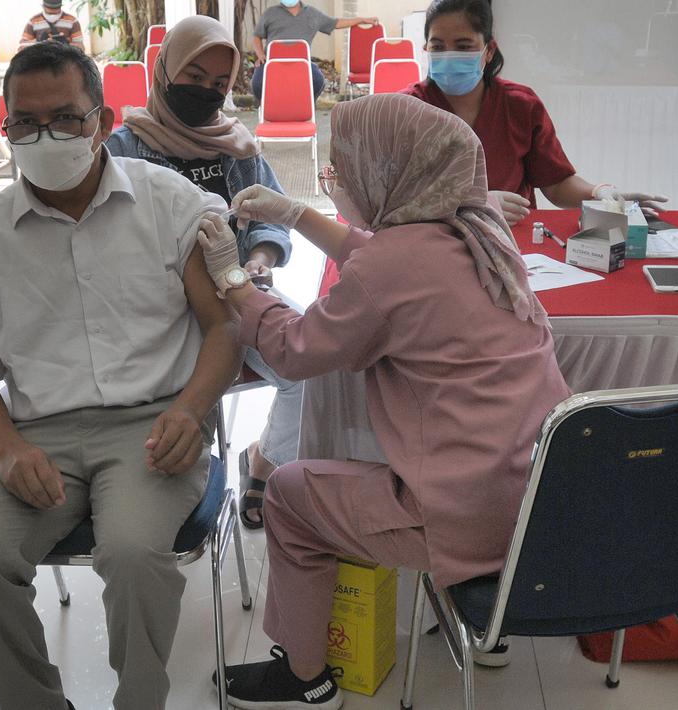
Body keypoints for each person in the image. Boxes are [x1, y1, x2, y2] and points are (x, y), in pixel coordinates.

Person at [196, 93, 571, 709]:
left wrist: (234, 281)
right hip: (541, 495)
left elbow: (293, 349)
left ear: (389, 171)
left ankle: (304, 677)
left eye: (342, 170)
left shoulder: (393, 265)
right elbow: (380, 254)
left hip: (468, 510)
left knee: (288, 493)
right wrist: (296, 215)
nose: (337, 182)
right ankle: (488, 613)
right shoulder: (480, 228)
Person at [0, 42, 241, 710]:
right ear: (5, 125)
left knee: (133, 555)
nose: (46, 137)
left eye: (66, 119)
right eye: (26, 121)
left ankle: (139, 701)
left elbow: (224, 328)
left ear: (102, 121)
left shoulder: (169, 204)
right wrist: (6, 450)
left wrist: (191, 410)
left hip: (154, 425)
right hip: (36, 435)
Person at [105, 14, 301, 530]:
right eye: (193, 78)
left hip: (238, 296)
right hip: (157, 313)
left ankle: (263, 463)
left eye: (217, 84)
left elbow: (273, 216)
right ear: (165, 71)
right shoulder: (123, 149)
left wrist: (261, 259)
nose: (205, 93)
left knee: (313, 366)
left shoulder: (238, 145)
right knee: (172, 402)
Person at [404, 0, 666, 225]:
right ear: (426, 49)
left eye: (463, 47)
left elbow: (556, 184)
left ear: (489, 50)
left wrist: (600, 194)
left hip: (513, 240)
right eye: (438, 47)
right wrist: (472, 203)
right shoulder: (405, 110)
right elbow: (394, 199)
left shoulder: (519, 105)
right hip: (435, 242)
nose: (449, 56)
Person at [251, 0, 378, 100]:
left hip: (302, 63)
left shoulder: (312, 14)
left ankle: (304, 106)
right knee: (257, 83)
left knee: (318, 80)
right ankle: (268, 108)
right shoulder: (270, 13)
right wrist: (260, 55)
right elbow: (257, 36)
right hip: (272, 62)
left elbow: (335, 23)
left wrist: (361, 20)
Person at [19, 0, 85, 52]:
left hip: (64, 60)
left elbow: (81, 48)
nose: (53, 12)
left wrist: (66, 44)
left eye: (56, 9)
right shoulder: (33, 21)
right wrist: (39, 42)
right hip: (40, 60)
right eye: (50, 10)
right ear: (43, 6)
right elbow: (21, 47)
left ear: (60, 6)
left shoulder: (72, 21)